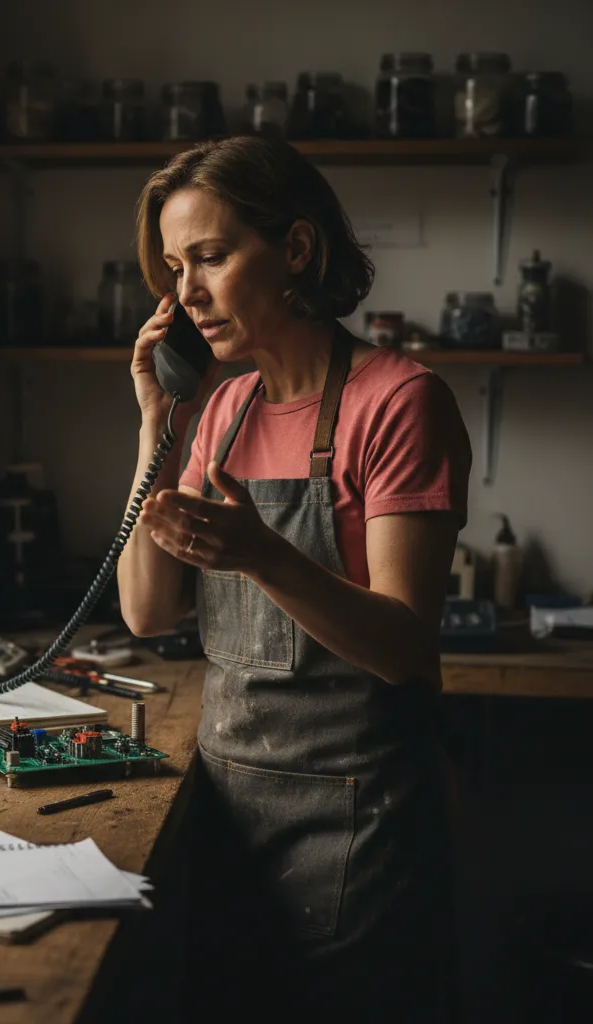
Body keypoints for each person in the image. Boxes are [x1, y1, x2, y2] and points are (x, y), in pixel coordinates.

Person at [116, 135, 471, 1021]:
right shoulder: (224, 410)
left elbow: (405, 647)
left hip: (360, 832)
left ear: (298, 250)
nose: (186, 294)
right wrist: (159, 426)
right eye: (174, 269)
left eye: (210, 256)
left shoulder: (401, 402)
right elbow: (148, 611)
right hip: (232, 819)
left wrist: (265, 554)